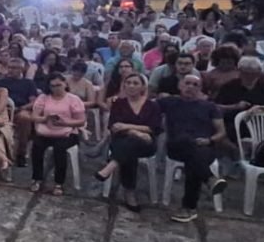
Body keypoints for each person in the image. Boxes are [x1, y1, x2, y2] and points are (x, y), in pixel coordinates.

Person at [157, 75, 229, 223]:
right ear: (180, 85)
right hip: (177, 145)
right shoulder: (169, 102)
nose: (190, 87)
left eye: (195, 84)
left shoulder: (210, 107)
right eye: (187, 83)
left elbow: (221, 132)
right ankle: (209, 179)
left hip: (204, 146)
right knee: (187, 142)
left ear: (200, 89)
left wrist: (209, 140)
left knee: (194, 160)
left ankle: (188, 208)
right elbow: (143, 105)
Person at [95, 74, 162, 211]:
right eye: (128, 83)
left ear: (143, 86)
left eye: (135, 83)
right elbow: (114, 126)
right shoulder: (118, 103)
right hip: (122, 140)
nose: (131, 86)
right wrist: (136, 132)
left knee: (128, 147)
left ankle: (111, 165)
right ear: (124, 85)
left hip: (146, 144)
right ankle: (129, 193)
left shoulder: (152, 105)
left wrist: (127, 127)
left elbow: (154, 128)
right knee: (129, 148)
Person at [29, 73, 86, 195]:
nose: (56, 88)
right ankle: (36, 178)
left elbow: (81, 121)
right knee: (37, 146)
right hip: (47, 130)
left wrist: (66, 122)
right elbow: (34, 116)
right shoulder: (43, 98)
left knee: (60, 149)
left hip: (68, 132)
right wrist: (45, 118)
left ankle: (59, 182)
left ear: (65, 84)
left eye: (59, 85)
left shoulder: (73, 99)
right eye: (53, 86)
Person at [0, 58, 39, 169]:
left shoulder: (28, 83)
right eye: (9, 67)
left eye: (14, 68)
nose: (11, 70)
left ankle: (21, 153)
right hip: (3, 109)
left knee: (25, 118)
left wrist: (22, 107)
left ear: (22, 69)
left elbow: (33, 101)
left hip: (20, 109)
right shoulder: (1, 82)